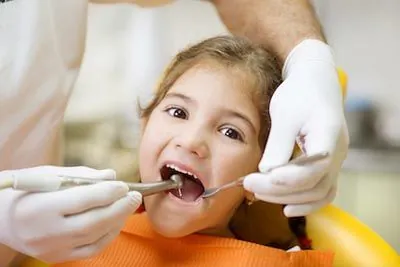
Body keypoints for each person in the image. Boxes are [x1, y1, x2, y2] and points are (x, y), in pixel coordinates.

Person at [0, 0, 348, 265]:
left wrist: (310, 60)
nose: (192, 141)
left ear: (261, 175)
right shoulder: (75, 245)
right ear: (144, 126)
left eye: (230, 132)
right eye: (178, 111)